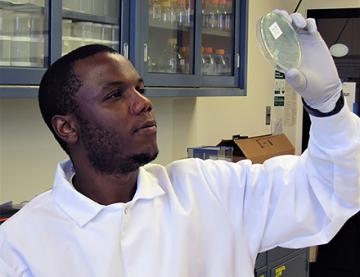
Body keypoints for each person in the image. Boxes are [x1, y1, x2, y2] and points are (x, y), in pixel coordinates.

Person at [0, 11, 359, 277]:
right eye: (115, 95)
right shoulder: (21, 245)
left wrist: (328, 107)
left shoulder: (211, 190)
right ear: (67, 127)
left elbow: (328, 191)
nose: (143, 102)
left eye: (140, 88)